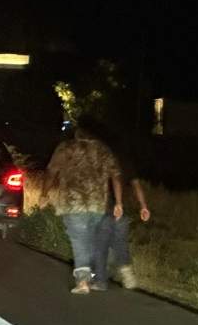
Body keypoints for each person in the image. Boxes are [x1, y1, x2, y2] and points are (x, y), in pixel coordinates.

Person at [44, 118, 122, 294]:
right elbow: (116, 175)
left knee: (79, 240)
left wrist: (44, 193)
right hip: (97, 204)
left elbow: (51, 171)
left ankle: (83, 282)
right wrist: (118, 202)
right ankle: (98, 276)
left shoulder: (66, 148)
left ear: (77, 134)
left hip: (73, 203)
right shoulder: (103, 150)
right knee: (91, 241)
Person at [91, 142, 151, 291]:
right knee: (121, 245)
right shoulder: (127, 164)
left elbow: (113, 179)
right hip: (123, 213)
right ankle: (128, 277)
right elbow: (137, 186)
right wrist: (143, 206)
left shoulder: (105, 161)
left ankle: (100, 281)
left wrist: (117, 203)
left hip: (107, 209)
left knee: (100, 245)